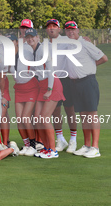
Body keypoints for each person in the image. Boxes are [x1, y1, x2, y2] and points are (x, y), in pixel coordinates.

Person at [64, 21, 108, 158]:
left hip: (87, 81)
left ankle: (95, 147)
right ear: (65, 32)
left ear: (78, 31)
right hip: (75, 84)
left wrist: (91, 66)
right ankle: (87, 145)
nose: (71, 32)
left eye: (73, 30)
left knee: (92, 114)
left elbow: (104, 58)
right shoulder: (68, 45)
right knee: (83, 115)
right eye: (68, 30)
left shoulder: (85, 44)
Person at [24, 28, 65, 159]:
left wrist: (50, 89)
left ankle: (53, 150)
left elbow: (51, 70)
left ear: (38, 38)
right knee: (37, 118)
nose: (30, 39)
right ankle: (47, 148)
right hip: (42, 85)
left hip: (52, 85)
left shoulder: (43, 49)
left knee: (44, 118)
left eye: (32, 37)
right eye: (28, 37)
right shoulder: (34, 51)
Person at [45, 19, 77, 153]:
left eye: (54, 26)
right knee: (55, 112)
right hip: (53, 80)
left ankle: (73, 140)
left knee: (70, 111)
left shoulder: (66, 39)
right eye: (49, 27)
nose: (51, 28)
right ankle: (60, 139)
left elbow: (78, 42)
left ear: (59, 29)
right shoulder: (44, 44)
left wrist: (84, 39)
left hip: (66, 79)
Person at [8, 34, 38, 156]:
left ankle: (33, 145)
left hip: (31, 86)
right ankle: (26, 145)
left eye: (12, 42)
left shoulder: (26, 53)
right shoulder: (9, 57)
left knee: (26, 117)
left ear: (16, 42)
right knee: (19, 119)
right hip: (19, 88)